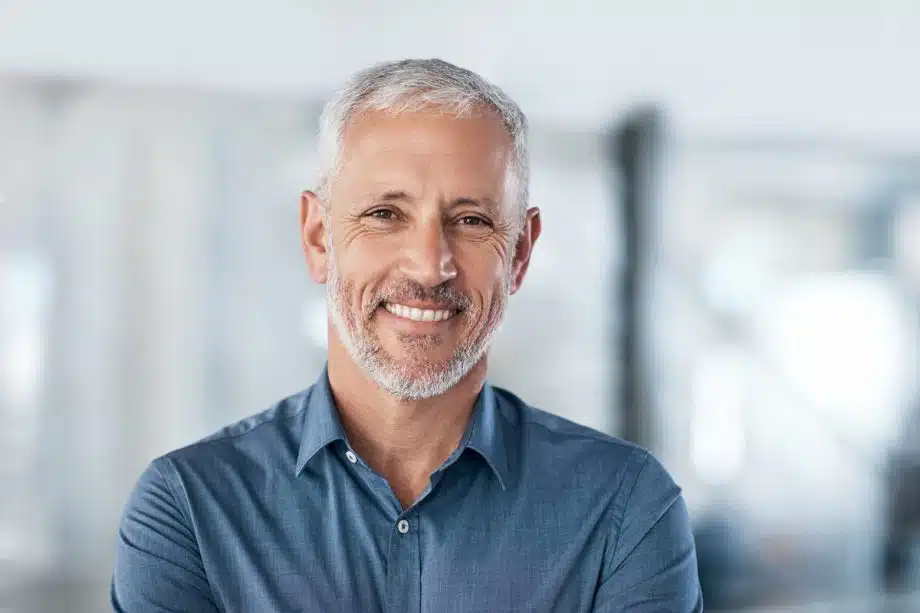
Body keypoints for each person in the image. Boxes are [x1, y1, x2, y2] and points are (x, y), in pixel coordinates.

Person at [110, 58, 702, 613]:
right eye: (385, 215)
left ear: (519, 254)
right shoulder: (190, 509)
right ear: (319, 238)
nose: (428, 265)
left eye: (471, 221)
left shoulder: (624, 508)